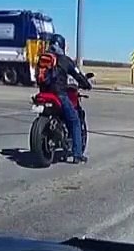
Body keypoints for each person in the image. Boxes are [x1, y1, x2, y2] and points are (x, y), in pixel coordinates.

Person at [38, 34, 93, 163]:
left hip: (43, 94)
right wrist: (87, 84)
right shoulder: (65, 60)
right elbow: (77, 75)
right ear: (62, 45)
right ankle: (77, 154)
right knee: (75, 121)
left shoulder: (43, 58)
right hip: (59, 94)